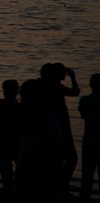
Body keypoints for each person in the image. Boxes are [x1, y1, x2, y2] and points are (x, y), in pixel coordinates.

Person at [40, 62, 80, 191]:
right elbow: (75, 92)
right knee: (70, 158)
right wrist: (73, 77)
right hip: (61, 127)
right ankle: (61, 187)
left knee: (55, 159)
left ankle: (56, 186)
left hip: (51, 127)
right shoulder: (56, 87)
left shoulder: (45, 86)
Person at [0, 79, 23, 195]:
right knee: (21, 177)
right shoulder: (21, 109)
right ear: (16, 91)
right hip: (17, 145)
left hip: (4, 145)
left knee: (7, 179)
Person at [79, 73, 100, 203]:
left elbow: (84, 116)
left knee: (87, 175)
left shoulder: (84, 100)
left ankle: (83, 202)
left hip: (89, 141)